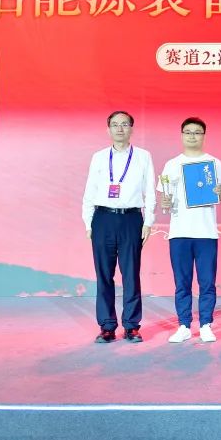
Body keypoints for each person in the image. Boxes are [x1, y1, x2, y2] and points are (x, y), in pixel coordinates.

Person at [82, 110, 155, 344]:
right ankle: (107, 326)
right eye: (115, 124)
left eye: (124, 124)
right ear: (108, 130)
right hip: (103, 218)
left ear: (131, 128)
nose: (120, 128)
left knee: (131, 274)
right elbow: (90, 191)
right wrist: (88, 222)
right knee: (104, 274)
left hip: (131, 219)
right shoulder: (99, 157)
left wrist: (149, 221)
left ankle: (132, 326)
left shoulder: (143, 156)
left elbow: (150, 190)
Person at [158, 117, 221, 344]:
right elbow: (165, 199)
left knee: (207, 282)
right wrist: (165, 203)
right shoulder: (171, 164)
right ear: (181, 135)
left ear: (203, 136)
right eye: (188, 132)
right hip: (179, 233)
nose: (192, 136)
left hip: (206, 233)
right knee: (182, 283)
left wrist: (219, 192)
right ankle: (184, 325)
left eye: (197, 132)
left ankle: (206, 324)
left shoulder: (214, 163)